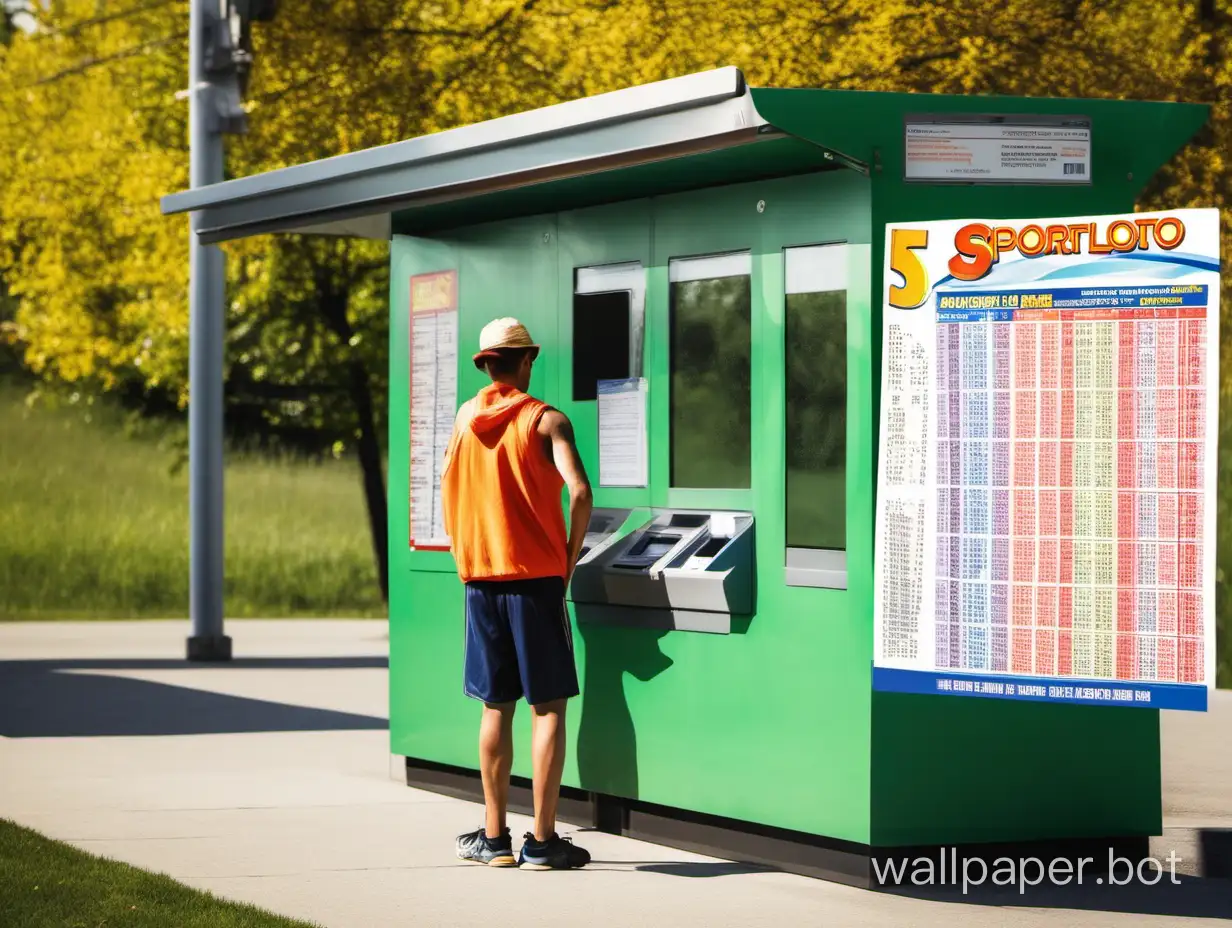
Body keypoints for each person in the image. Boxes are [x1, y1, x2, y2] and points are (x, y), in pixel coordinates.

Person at [440, 317, 594, 870]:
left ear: (485, 365)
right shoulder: (546, 420)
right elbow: (579, 492)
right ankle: (545, 840)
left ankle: (494, 838)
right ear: (526, 360)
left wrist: (468, 554)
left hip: (482, 581)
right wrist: (568, 560)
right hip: (535, 582)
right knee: (548, 708)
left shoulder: (464, 418)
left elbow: (448, 489)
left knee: (495, 706)